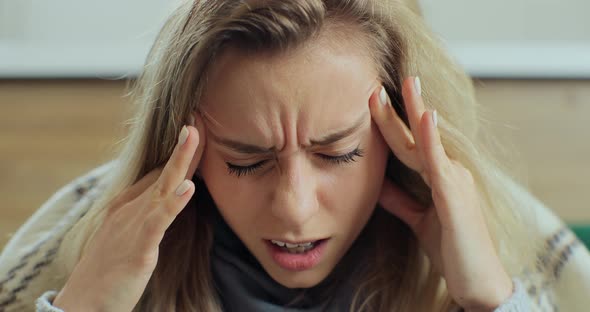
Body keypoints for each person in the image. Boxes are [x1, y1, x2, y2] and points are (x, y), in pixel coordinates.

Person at [1, 0, 589, 311]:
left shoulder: (490, 228)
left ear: (400, 139)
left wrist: (487, 297)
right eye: (246, 161)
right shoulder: (89, 237)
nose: (294, 210)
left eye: (338, 154)